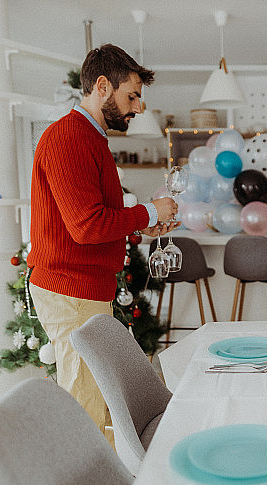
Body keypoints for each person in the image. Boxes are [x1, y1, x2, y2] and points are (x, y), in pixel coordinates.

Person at [26, 44, 178, 432]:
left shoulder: (90, 138)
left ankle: (98, 478)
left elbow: (92, 220)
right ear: (102, 85)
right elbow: (86, 225)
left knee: (93, 395)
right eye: (133, 96)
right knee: (84, 403)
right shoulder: (69, 138)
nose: (139, 108)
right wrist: (148, 212)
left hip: (84, 288)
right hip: (71, 290)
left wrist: (141, 226)